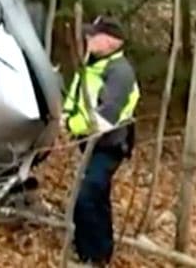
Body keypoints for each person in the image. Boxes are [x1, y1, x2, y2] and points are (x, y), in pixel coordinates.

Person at [62, 16, 140, 267]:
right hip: (90, 143)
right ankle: (102, 251)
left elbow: (105, 119)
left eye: (93, 36)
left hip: (109, 146)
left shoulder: (120, 73)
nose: (88, 39)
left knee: (84, 197)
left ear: (110, 42)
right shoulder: (93, 63)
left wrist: (69, 127)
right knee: (98, 197)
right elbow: (77, 95)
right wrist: (66, 118)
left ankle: (90, 256)